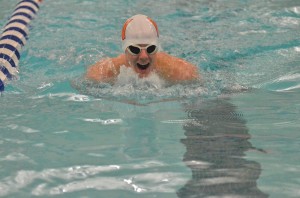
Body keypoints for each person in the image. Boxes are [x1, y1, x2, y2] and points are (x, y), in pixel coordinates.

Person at [85, 14, 200, 84]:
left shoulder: (182, 73)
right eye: (135, 49)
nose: (144, 56)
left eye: (151, 49)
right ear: (125, 49)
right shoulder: (101, 74)